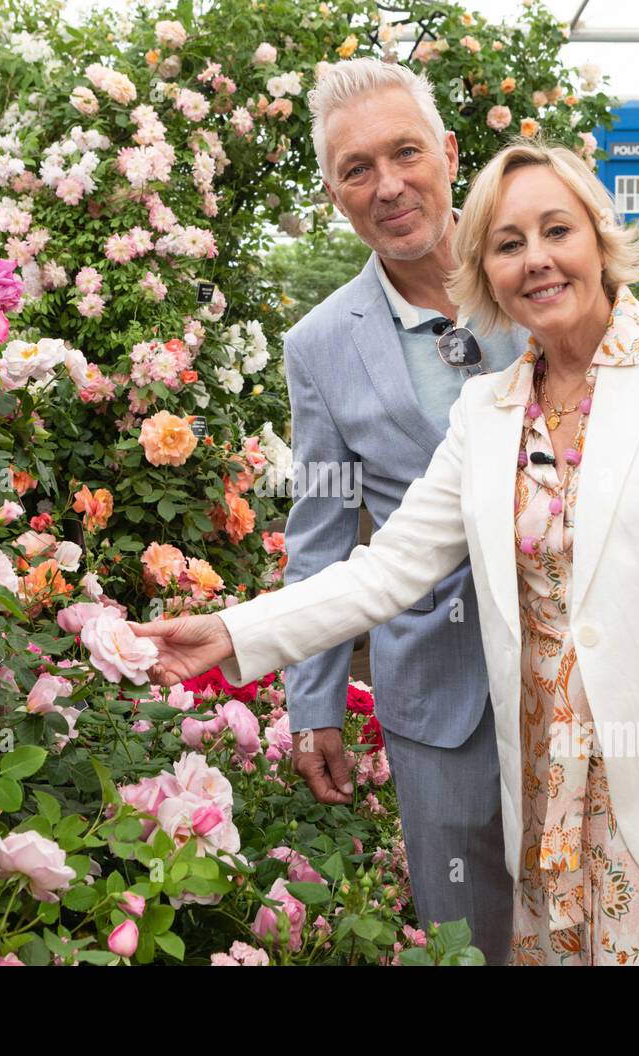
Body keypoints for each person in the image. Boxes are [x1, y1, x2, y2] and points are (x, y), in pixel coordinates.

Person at [130, 139, 639, 965]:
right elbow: (388, 569)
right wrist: (231, 635)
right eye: (508, 244)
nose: (536, 260)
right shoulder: (488, 412)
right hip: (547, 798)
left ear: (599, 239)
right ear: (485, 273)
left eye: (556, 231)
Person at [251, 59, 526, 963]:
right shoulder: (322, 345)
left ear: (449, 153)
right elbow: (322, 532)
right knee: (467, 933)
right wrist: (314, 704)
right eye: (356, 168)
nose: (388, 185)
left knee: (599, 899)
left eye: (405, 152)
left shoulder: (545, 276)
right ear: (334, 193)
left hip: (588, 667)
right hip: (437, 690)